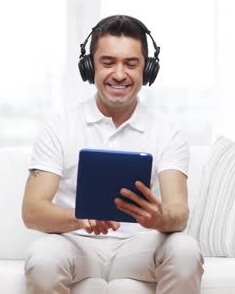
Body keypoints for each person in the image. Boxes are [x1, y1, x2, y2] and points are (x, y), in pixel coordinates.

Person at [22, 15, 204, 294]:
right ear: (89, 67)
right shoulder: (60, 127)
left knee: (185, 250)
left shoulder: (168, 132)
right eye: (108, 62)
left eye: (131, 64)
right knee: (43, 258)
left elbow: (179, 213)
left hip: (139, 247)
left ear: (148, 70)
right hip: (76, 243)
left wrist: (160, 218)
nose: (119, 74)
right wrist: (78, 217)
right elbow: (32, 211)